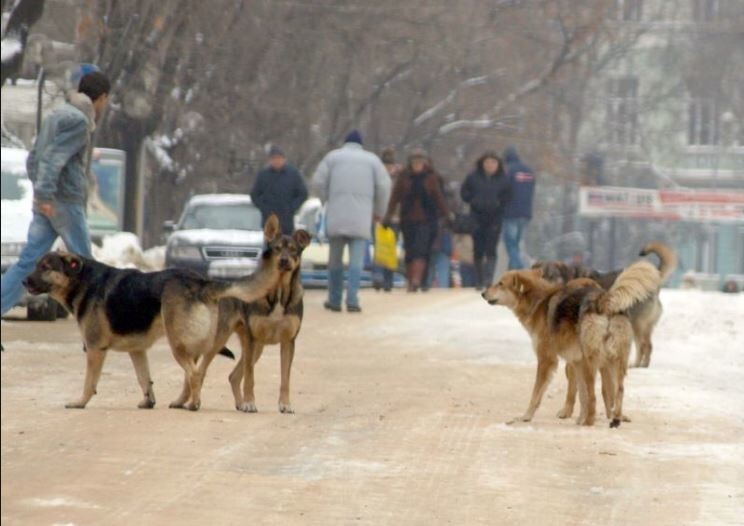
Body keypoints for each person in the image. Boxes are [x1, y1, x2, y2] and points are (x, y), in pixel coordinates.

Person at [1, 71, 111, 317]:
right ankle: (99, 321)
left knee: (29, 263)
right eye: (106, 100)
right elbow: (53, 159)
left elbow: (34, 157)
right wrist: (46, 195)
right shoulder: (79, 122)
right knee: (87, 266)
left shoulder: (57, 115)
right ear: (102, 97)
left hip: (47, 202)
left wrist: (39, 194)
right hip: (64, 202)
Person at [312, 130, 390, 313]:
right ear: (361, 144)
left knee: (335, 262)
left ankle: (334, 299)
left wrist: (326, 200)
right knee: (356, 263)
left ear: (345, 143)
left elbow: (317, 182)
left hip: (337, 216)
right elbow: (384, 186)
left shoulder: (332, 158)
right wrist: (378, 211)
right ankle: (353, 299)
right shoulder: (372, 161)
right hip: (361, 219)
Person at [383, 149, 449, 292]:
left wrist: (447, 215)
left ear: (424, 163)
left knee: (421, 249)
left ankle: (416, 280)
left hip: (427, 219)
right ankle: (411, 279)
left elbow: (439, 198)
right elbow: (395, 198)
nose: (417, 165)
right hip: (407, 219)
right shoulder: (404, 178)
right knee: (410, 250)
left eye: (420, 162)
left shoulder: (431, 178)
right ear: (410, 163)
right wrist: (388, 215)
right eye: (414, 162)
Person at [460, 150, 511, 289]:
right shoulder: (473, 177)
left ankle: (489, 279)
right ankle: (479, 280)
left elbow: (509, 196)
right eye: (487, 162)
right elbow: (464, 192)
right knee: (478, 249)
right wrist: (473, 200)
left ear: (498, 164)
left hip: (495, 218)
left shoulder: (503, 179)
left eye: (493, 162)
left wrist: (499, 204)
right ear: (482, 164)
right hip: (477, 217)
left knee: (491, 248)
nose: (490, 165)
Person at [250, 145, 308, 235]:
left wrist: (292, 208)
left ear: (284, 159)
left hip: (287, 222)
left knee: (286, 247)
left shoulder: (293, 174)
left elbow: (303, 194)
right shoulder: (263, 175)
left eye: (279, 158)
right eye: (274, 158)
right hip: (269, 221)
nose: (277, 161)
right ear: (270, 160)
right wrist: (264, 208)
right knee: (270, 248)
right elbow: (254, 195)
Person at [502, 146, 536, 270]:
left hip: (510, 212)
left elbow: (504, 190)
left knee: (510, 243)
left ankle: (518, 267)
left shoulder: (509, 171)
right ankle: (512, 271)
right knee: (516, 243)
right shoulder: (529, 171)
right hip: (526, 213)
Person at [372, 147, 400, 292]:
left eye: (390, 166)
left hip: (394, 218)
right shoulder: (376, 178)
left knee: (390, 249)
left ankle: (388, 280)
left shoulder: (399, 178)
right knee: (379, 248)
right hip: (378, 218)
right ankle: (378, 277)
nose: (388, 169)